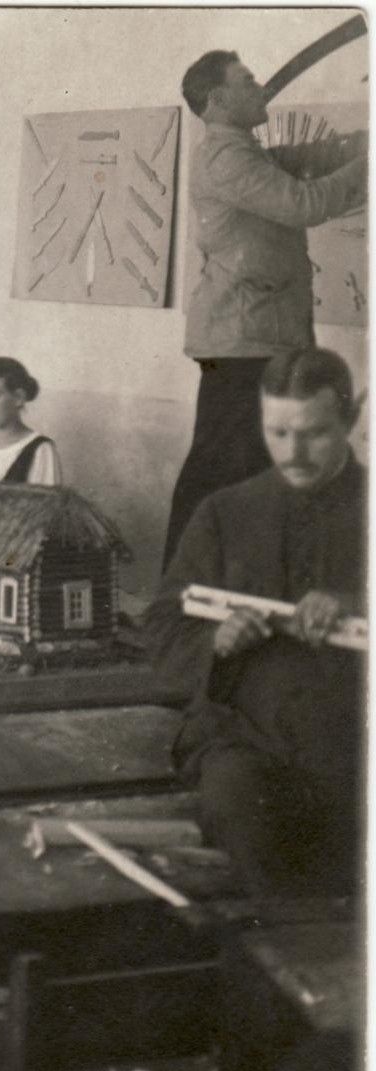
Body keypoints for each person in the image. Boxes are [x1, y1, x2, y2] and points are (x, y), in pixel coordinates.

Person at [148, 347, 365, 899]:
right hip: (244, 737)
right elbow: (164, 628)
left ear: (352, 417)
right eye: (278, 433)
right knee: (238, 809)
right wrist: (216, 641)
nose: (293, 453)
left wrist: (357, 603)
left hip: (354, 741)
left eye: (314, 434)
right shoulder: (225, 512)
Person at [167, 50, 367, 568]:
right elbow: (304, 203)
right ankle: (181, 594)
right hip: (242, 344)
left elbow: (303, 160)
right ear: (218, 99)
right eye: (248, 81)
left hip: (258, 337)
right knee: (219, 475)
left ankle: (227, 591)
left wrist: (355, 145)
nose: (260, 88)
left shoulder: (244, 152)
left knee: (250, 475)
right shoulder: (226, 159)